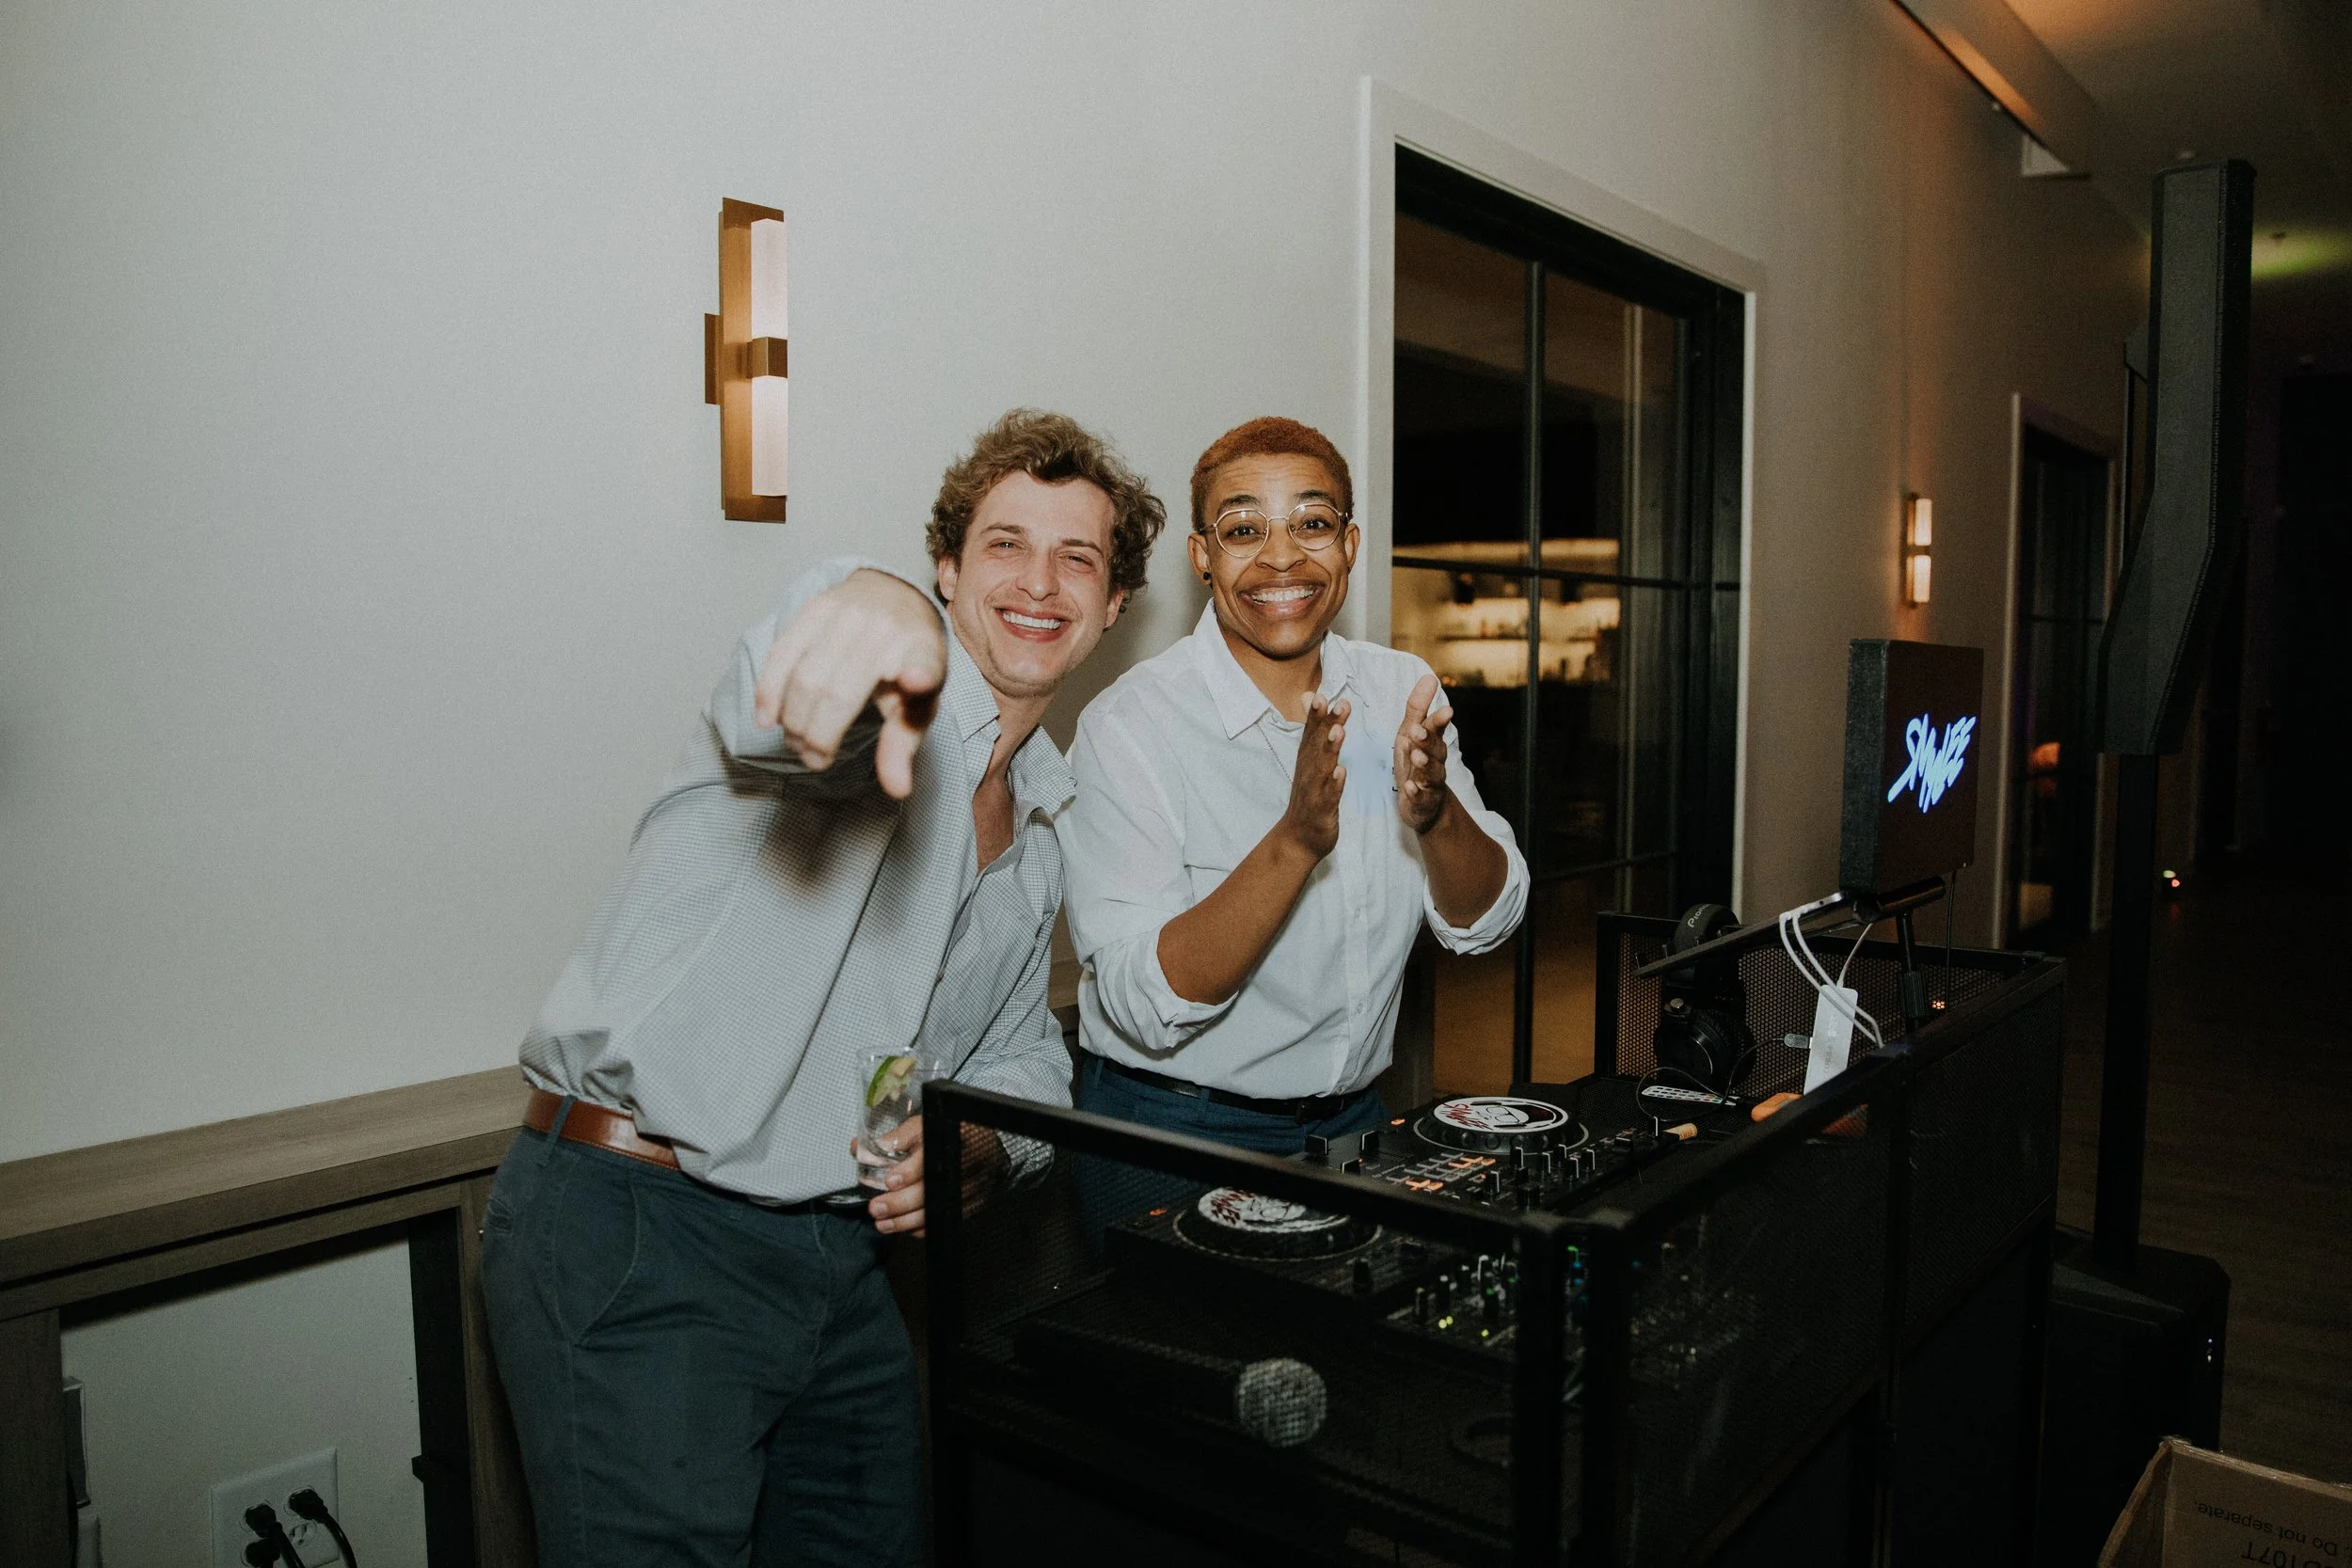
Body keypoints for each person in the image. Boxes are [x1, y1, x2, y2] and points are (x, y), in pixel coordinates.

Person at [482, 408, 1165, 1568]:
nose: (1039, 580)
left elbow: (1017, 1058)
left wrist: (980, 1150)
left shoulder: (1044, 823)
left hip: (835, 1260)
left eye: (1078, 558)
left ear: (1108, 609)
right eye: (1003, 543)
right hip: (643, 1222)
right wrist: (875, 603)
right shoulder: (879, 711)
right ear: (947, 567)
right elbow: (802, 695)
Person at [1060, 416, 1528, 1180]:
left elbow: (1487, 919)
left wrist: (1437, 817)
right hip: (1171, 1132)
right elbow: (1142, 1000)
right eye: (1244, 529)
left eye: (1312, 523)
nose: (1282, 555)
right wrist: (1296, 841)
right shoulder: (1132, 727)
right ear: (1202, 557)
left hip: (1356, 1124)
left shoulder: (1391, 691)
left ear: (1348, 546)